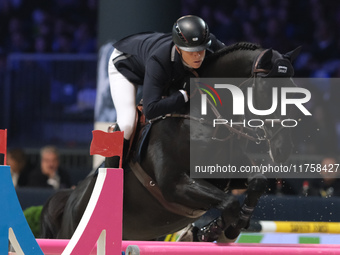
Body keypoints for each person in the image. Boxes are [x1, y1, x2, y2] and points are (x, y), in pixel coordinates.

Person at [108, 15, 225, 165]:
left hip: (162, 62)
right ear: (178, 48)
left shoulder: (209, 42)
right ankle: (109, 177)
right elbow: (150, 109)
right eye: (191, 51)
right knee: (127, 123)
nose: (197, 56)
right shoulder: (159, 60)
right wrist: (184, 95)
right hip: (125, 63)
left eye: (201, 50)